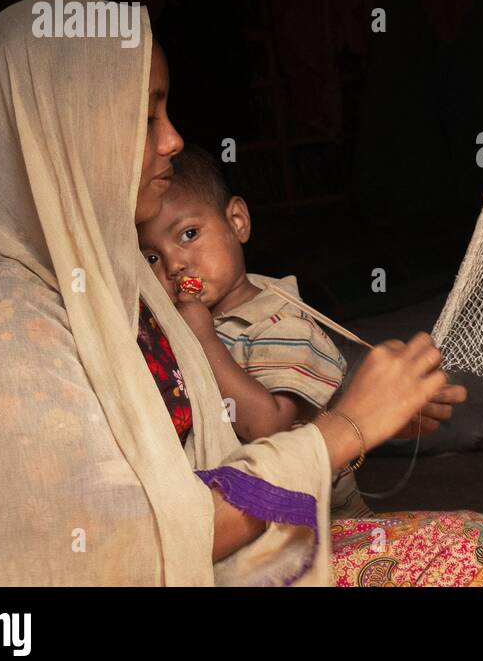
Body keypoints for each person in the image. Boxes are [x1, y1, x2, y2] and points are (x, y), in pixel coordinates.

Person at [0, 0, 483, 586]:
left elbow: (228, 450)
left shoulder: (122, 288)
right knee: (466, 556)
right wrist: (344, 429)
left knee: (470, 546)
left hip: (218, 557)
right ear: (63, 134)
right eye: (145, 117)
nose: (172, 140)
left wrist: (357, 419)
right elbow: (125, 550)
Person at [137, 144, 369, 515]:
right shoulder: (172, 326)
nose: (175, 264)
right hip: (241, 518)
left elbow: (269, 426)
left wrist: (203, 339)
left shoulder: (282, 321)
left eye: (189, 234)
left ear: (238, 222)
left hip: (323, 528)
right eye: (151, 257)